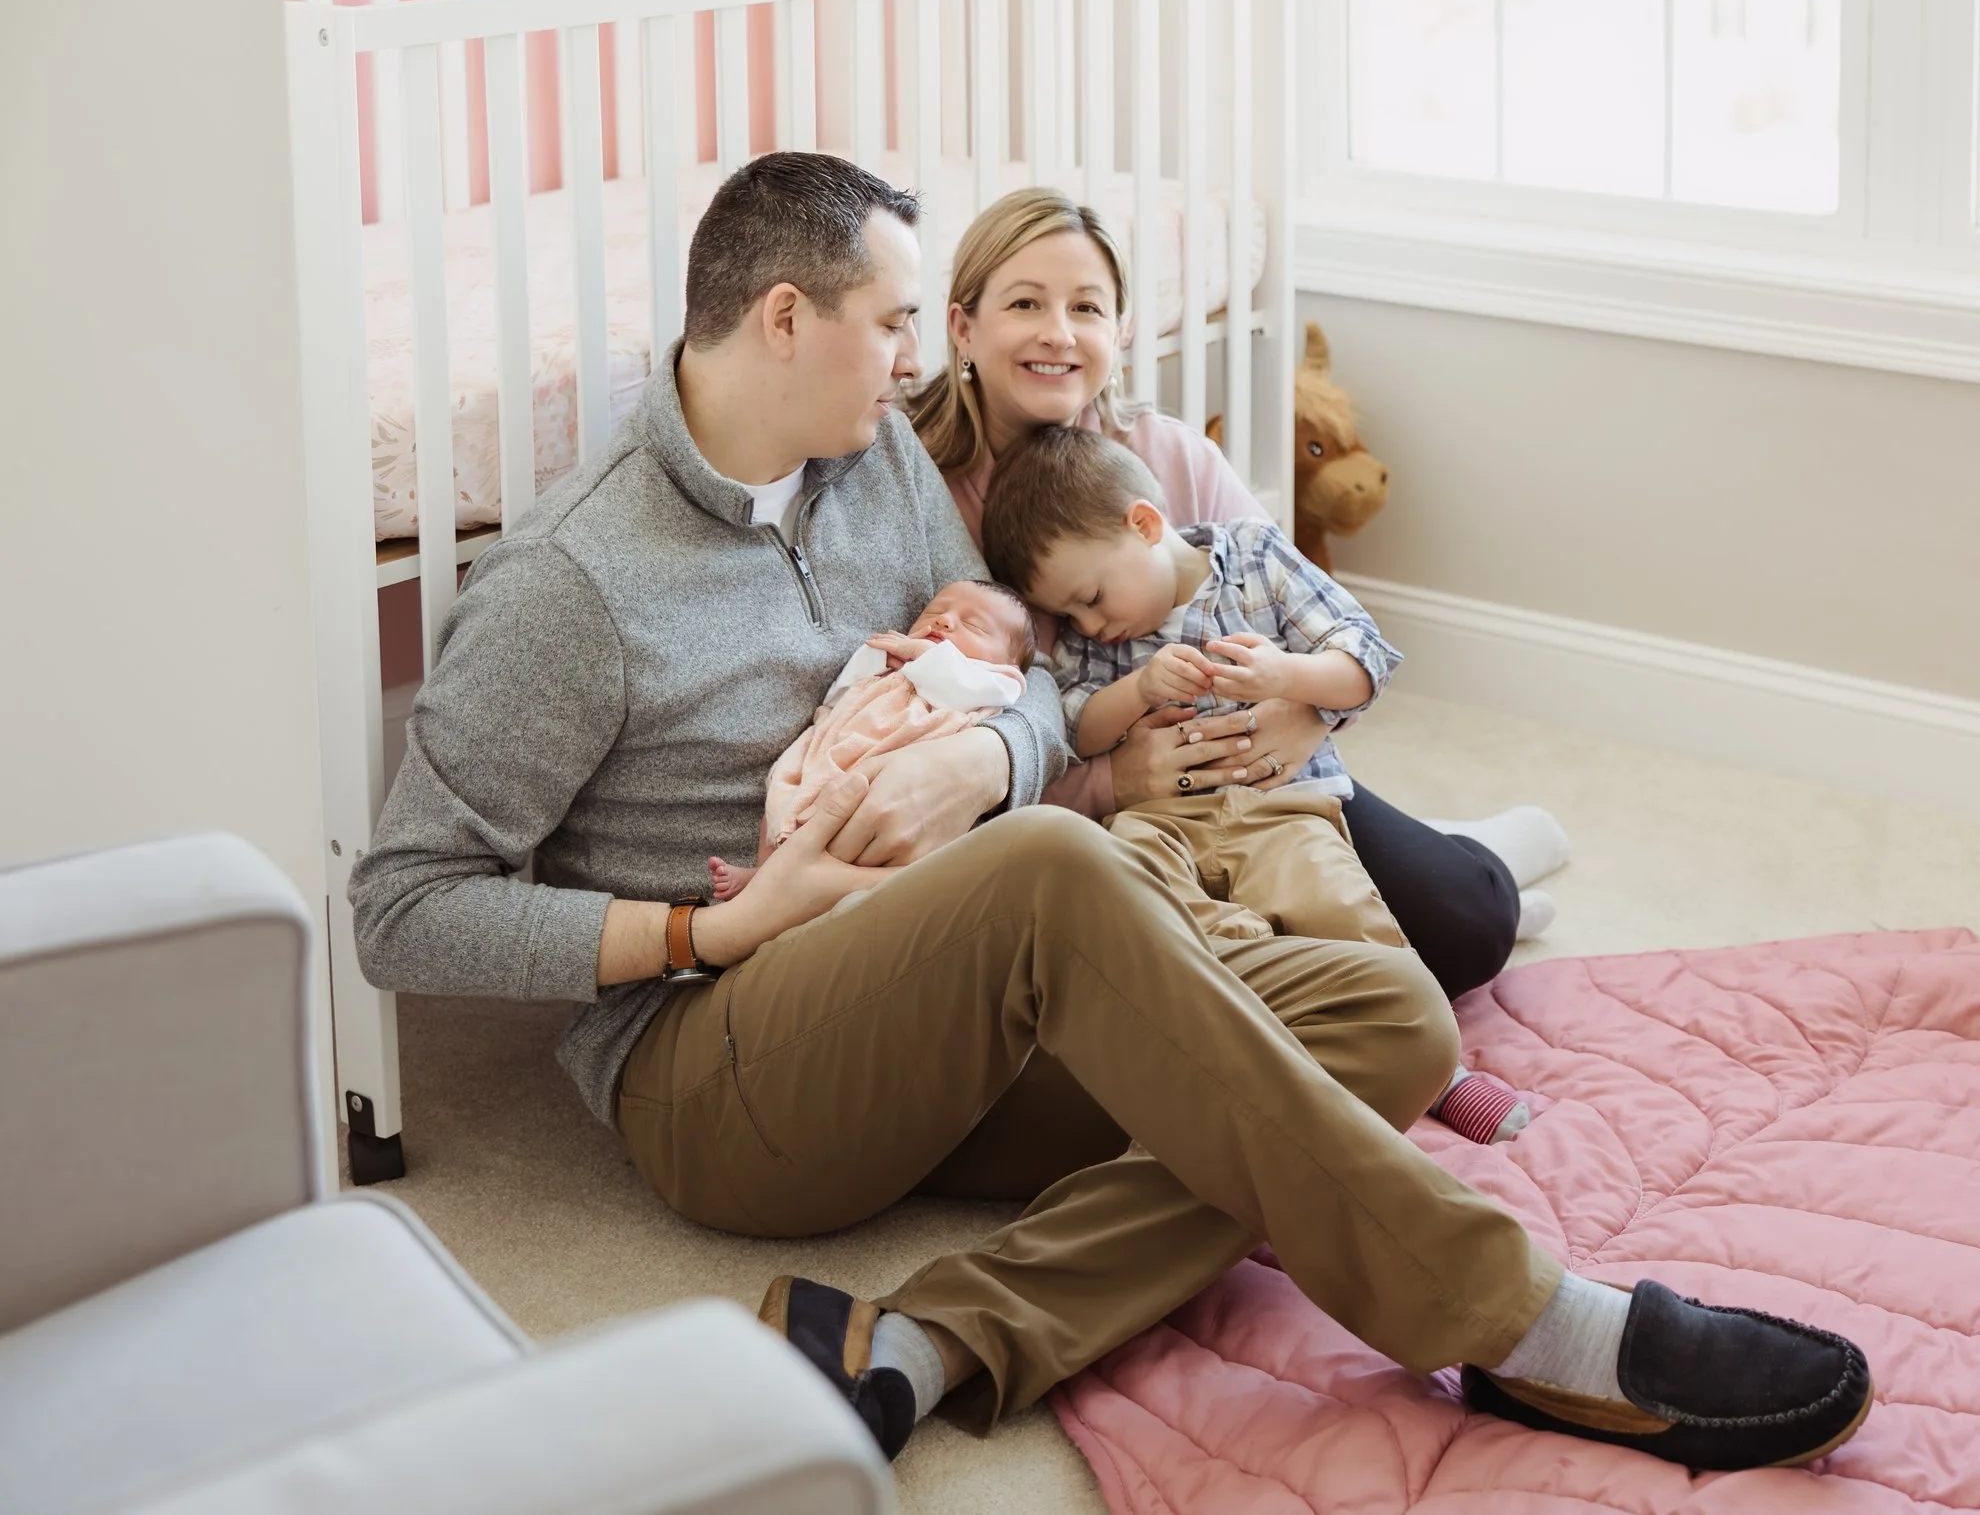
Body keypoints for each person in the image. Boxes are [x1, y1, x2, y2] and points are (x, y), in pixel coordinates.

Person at [348, 152, 1872, 1472]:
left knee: (1386, 1019)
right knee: (1059, 870)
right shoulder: (570, 584)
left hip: (941, 997)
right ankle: (1528, 1323)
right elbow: (404, 909)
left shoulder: (871, 464)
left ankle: (924, 1342)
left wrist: (991, 757)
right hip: (726, 1069)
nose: (908, 369)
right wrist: (714, 921)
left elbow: (1023, 677)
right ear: (786, 319)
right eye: (892, 326)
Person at [907, 188, 1570, 1000]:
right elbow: (943, 734)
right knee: (1184, 984)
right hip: (1095, 822)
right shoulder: (916, 492)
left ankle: (1458, 843)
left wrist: (1303, 711)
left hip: (1258, 784)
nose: (1058, 331)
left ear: (1120, 330)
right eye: (1024, 303)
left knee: (1466, 922)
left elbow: (1309, 614)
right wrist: (1114, 783)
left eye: (1086, 306)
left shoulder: (1164, 454)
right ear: (963, 326)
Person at [986, 425, 1531, 1145]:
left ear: (1145, 525)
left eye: (1092, 598)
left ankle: (1439, 1071)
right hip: (1159, 822)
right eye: (1072, 614)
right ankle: (1270, 1032)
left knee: (1335, 905)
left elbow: (1365, 654)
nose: (1090, 624)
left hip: (1280, 807)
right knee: (1160, 920)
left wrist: (1288, 678)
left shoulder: (1251, 558)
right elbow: (1076, 729)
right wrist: (1140, 687)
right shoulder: (1095, 639)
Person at [706, 578, 1033, 905]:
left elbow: (958, 688)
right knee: (781, 805)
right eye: (934, 612)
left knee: (854, 830)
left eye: (974, 626)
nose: (944, 621)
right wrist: (876, 660)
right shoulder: (899, 662)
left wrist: (922, 655)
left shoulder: (997, 682)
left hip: (888, 779)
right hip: (835, 751)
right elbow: (839, 692)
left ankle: (789, 895)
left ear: (1010, 663)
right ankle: (764, 879)